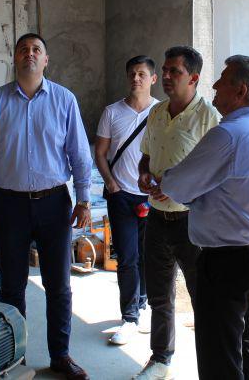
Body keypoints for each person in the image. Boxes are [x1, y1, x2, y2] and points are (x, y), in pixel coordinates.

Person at [0, 32, 93, 380]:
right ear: (16, 58)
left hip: (54, 203)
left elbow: (79, 154)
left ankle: (60, 355)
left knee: (59, 285)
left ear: (46, 60)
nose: (30, 54)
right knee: (11, 286)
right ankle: (13, 357)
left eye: (37, 49)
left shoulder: (64, 100)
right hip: (9, 205)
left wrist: (84, 198)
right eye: (23, 49)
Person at [152, 55, 249, 380]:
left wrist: (189, 189)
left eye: (223, 79)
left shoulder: (229, 134)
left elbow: (176, 185)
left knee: (219, 358)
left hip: (227, 261)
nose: (216, 85)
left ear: (241, 90)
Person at [134, 46, 221, 380]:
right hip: (157, 218)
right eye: (166, 70)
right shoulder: (156, 112)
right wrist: (144, 174)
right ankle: (160, 360)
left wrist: (179, 189)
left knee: (203, 298)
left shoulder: (209, 118)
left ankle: (210, 367)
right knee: (159, 295)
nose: (166, 77)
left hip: (192, 222)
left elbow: (216, 173)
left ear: (194, 78)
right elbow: (146, 156)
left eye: (175, 72)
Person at [95, 55, 159, 345]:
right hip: (120, 195)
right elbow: (100, 152)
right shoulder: (112, 112)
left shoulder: (162, 111)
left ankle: (143, 304)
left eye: (142, 74)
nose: (136, 78)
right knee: (127, 257)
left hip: (152, 196)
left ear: (153, 79)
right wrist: (111, 183)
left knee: (148, 255)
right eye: (132, 73)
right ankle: (130, 317)